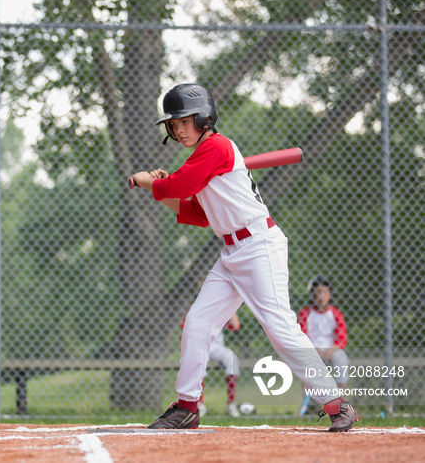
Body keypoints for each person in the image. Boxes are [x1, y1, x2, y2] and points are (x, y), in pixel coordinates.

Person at [130, 83, 358, 432]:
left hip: (259, 246)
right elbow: (197, 213)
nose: (177, 129)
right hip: (231, 252)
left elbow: (178, 186)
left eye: (184, 121)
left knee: (280, 328)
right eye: (173, 125)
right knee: (197, 323)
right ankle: (188, 405)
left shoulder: (217, 146)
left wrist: (153, 183)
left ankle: (335, 402)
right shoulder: (199, 160)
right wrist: (160, 189)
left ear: (205, 118)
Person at [297, 276, 349, 413]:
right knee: (308, 364)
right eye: (318, 292)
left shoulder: (335, 313)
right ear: (312, 294)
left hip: (331, 349)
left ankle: (340, 401)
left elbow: (342, 338)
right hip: (312, 349)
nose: (321, 296)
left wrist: (331, 350)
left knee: (341, 358)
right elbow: (301, 335)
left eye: (325, 292)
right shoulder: (305, 313)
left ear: (330, 294)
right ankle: (311, 406)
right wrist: (314, 349)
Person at [186, 313, 241, 418]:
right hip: (199, 345)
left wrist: (232, 309)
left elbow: (235, 326)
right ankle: (199, 404)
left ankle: (231, 404)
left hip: (216, 347)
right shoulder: (195, 308)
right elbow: (185, 329)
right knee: (199, 363)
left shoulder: (221, 309)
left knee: (232, 359)